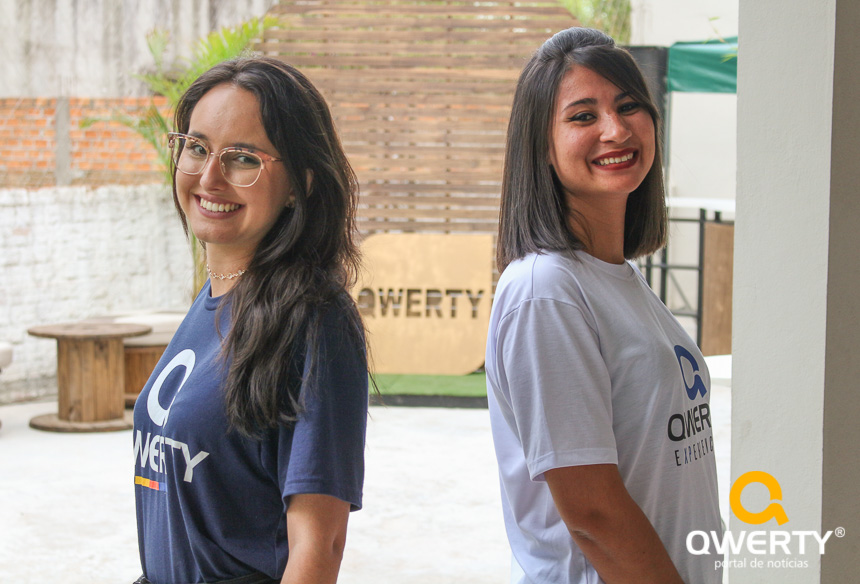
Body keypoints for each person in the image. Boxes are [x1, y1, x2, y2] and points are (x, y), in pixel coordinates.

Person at [485, 27, 723, 584]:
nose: (615, 130)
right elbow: (592, 515)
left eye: (629, 105)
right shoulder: (546, 290)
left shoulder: (619, 279)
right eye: (583, 116)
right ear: (541, 147)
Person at [132, 56, 369, 584]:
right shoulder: (214, 298)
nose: (209, 177)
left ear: (300, 183)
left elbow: (319, 545)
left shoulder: (315, 320)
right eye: (197, 148)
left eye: (242, 159)